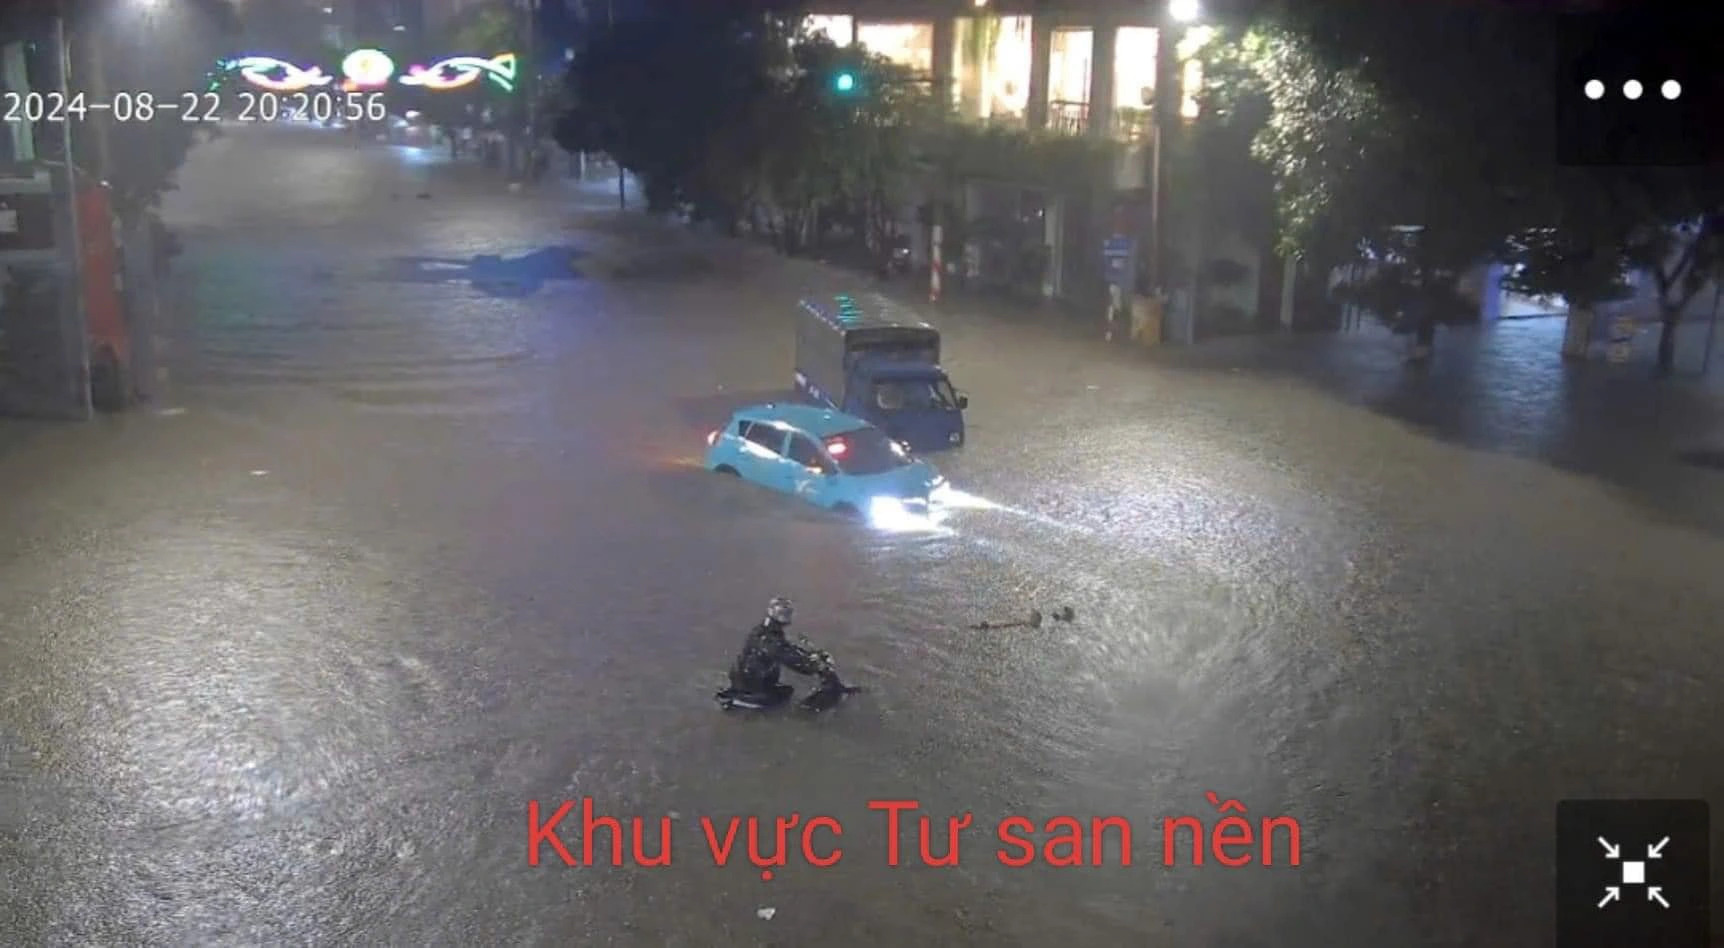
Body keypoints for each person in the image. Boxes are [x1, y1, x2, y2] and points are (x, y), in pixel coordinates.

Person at [726, 597, 832, 708]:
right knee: (789, 702)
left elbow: (787, 648)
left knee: (786, 692)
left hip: (752, 681)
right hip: (752, 687)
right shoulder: (768, 639)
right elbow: (787, 657)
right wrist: (814, 666)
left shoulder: (766, 630)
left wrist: (808, 655)